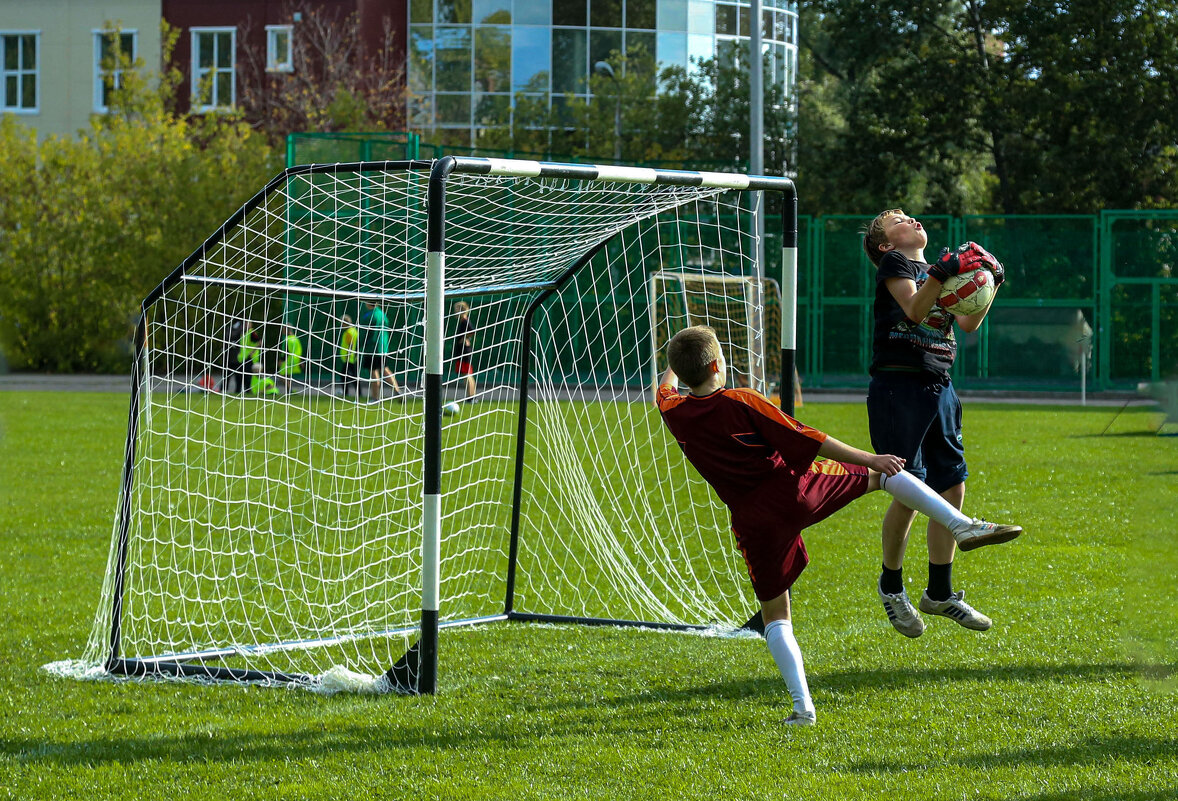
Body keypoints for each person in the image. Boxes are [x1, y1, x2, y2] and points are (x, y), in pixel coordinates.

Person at [655, 325, 1020, 726]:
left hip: (752, 521)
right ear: (717, 365)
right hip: (795, 490)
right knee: (883, 477)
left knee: (776, 617)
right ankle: (959, 524)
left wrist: (674, 364)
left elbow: (666, 386)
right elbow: (809, 437)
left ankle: (802, 708)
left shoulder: (673, 410)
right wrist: (871, 458)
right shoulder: (743, 400)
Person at [862, 209, 1015, 638]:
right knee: (909, 487)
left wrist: (991, 284)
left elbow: (967, 324)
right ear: (886, 244)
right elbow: (913, 310)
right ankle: (891, 586)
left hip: (939, 383)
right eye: (897, 220)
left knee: (953, 484)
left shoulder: (937, 272)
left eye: (910, 215)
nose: (910, 219)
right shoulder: (896, 264)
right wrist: (944, 271)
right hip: (899, 384)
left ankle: (940, 592)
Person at [359, 301, 401, 402]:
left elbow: (364, 334)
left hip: (372, 348)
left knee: (374, 372)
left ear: (367, 303)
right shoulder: (382, 314)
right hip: (383, 347)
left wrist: (358, 346)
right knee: (385, 369)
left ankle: (375, 397)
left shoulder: (369, 316)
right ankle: (397, 390)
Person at [452, 301, 476, 402]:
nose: (455, 311)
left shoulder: (465, 321)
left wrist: (464, 339)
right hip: (462, 350)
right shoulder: (462, 321)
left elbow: (472, 331)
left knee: (467, 374)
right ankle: (470, 396)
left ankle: (471, 397)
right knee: (466, 374)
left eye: (456, 309)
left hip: (464, 350)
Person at [337, 314, 360, 397]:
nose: (341, 325)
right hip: (353, 357)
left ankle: (346, 392)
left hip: (349, 358)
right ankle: (358, 392)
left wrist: (348, 355)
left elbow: (351, 344)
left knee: (345, 376)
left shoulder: (349, 332)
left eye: (342, 323)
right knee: (353, 376)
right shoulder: (354, 330)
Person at [277, 325, 303, 395]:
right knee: (288, 376)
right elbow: (299, 350)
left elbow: (285, 351)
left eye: (283, 329)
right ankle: (289, 390)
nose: (282, 331)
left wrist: (281, 360)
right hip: (295, 360)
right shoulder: (296, 339)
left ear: (286, 330)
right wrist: (300, 360)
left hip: (288, 360)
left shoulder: (287, 339)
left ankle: (290, 390)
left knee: (281, 375)